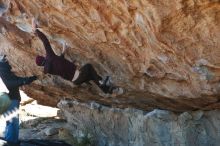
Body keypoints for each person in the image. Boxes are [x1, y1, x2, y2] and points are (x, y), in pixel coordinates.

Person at [32, 19, 123, 95]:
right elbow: (45, 41)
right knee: (88, 67)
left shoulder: (49, 69)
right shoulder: (50, 57)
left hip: (76, 81)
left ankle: (108, 90)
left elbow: (59, 62)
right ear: (42, 58)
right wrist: (35, 29)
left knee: (92, 77)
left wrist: (64, 50)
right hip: (79, 75)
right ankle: (102, 83)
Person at [0, 55, 37, 145]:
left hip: (7, 99)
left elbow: (13, 79)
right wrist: (24, 81)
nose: (8, 60)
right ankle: (12, 142)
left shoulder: (4, 69)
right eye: (5, 58)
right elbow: (9, 83)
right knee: (13, 121)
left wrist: (27, 80)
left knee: (10, 121)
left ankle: (10, 140)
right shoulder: (2, 68)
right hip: (10, 99)